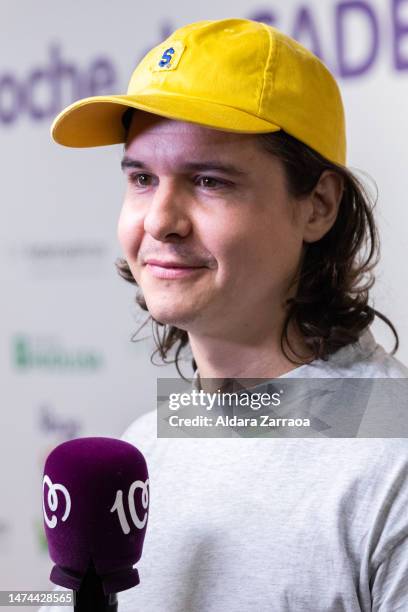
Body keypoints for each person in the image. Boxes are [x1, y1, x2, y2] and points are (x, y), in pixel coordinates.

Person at [43, 18, 408, 611]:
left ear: (318, 206)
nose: (160, 221)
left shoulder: (392, 463)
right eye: (141, 178)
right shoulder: (143, 449)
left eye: (209, 181)